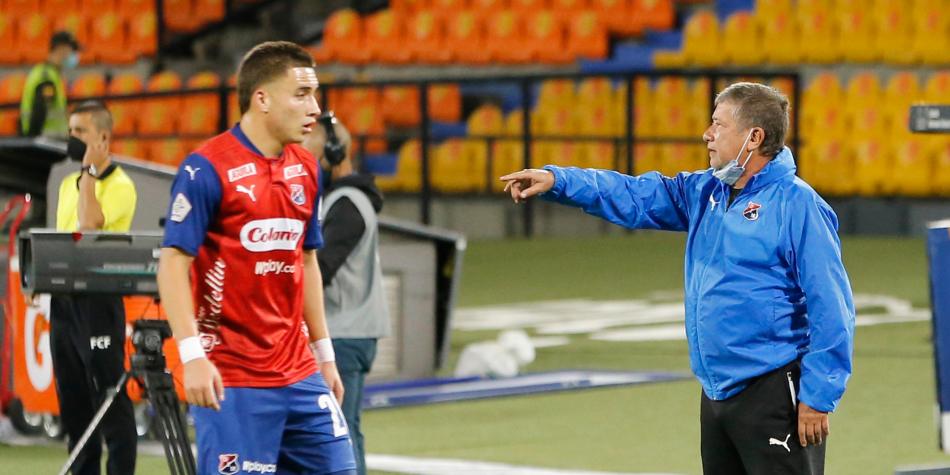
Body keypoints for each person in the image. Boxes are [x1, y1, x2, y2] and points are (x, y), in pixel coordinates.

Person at [501, 82, 855, 474]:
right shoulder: (706, 191)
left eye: (719, 124)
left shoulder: (798, 204)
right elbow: (636, 195)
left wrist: (818, 395)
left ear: (754, 137)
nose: (707, 134)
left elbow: (831, 305)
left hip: (773, 390)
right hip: (717, 392)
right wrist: (560, 182)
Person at [156, 41, 356, 475]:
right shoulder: (205, 168)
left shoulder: (307, 168)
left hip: (299, 371)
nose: (315, 108)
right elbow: (172, 264)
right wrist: (192, 355)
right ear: (262, 99)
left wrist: (324, 353)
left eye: (315, 95)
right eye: (302, 94)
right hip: (232, 375)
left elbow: (306, 261)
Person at [51, 100, 138, 475]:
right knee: (73, 399)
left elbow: (88, 225)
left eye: (80, 132)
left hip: (99, 300)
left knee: (109, 396)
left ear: (102, 138)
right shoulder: (67, 185)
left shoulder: (120, 185)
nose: (72, 138)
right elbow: (63, 240)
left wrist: (88, 173)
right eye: (70, 131)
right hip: (65, 301)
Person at [303, 113, 389, 475]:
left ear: (334, 154)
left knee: (340, 429)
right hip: (352, 328)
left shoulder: (346, 204)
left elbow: (321, 269)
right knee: (343, 426)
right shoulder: (348, 200)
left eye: (311, 157)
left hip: (345, 329)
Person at [20, 30, 80, 138]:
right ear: (61, 49)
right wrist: (33, 142)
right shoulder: (46, 77)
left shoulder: (52, 74)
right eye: (73, 50)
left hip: (51, 141)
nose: (75, 55)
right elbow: (40, 111)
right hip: (45, 142)